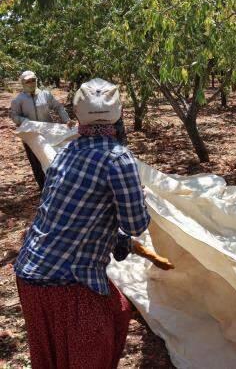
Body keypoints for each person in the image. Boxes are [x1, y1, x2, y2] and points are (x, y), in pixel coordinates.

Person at [14, 78, 150, 369]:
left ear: (77, 115)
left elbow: (69, 214)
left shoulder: (66, 153)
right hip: (67, 283)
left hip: (29, 275)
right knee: (90, 356)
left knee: (52, 356)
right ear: (119, 115)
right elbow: (136, 223)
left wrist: (116, 237)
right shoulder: (117, 158)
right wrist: (138, 203)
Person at [10, 71, 74, 190]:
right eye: (27, 81)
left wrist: (67, 120)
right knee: (36, 162)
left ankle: (55, 187)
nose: (31, 83)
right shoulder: (19, 100)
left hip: (49, 133)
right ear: (23, 83)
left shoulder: (45, 94)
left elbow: (58, 107)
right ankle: (43, 188)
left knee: (52, 158)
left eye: (33, 80)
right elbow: (14, 116)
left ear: (36, 80)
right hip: (31, 136)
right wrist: (25, 122)